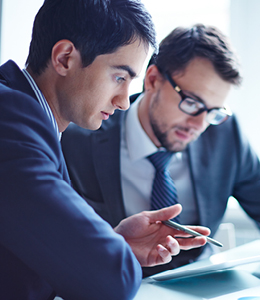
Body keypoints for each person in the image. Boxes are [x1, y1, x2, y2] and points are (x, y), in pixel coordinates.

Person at [0, 1, 211, 299]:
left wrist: (115, 242)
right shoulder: (10, 118)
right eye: (119, 77)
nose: (124, 101)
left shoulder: (31, 119)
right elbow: (112, 279)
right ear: (64, 58)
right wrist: (108, 254)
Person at [62, 23, 260, 278]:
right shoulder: (78, 141)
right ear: (152, 79)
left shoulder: (224, 134)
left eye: (213, 112)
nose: (199, 125)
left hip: (204, 289)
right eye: (192, 103)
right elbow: (60, 246)